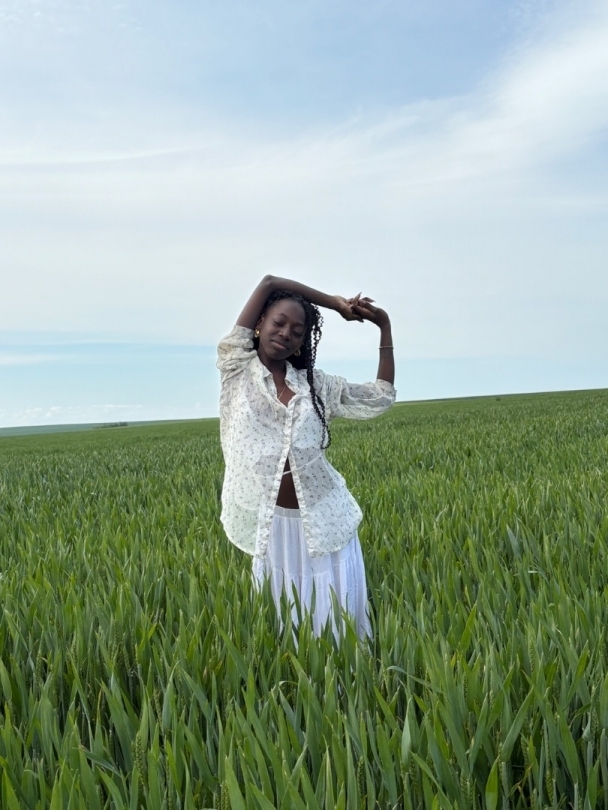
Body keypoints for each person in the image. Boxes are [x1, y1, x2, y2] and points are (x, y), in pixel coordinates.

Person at [216, 275, 395, 638]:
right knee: (283, 627)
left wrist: (384, 327)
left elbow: (381, 396)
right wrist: (336, 303)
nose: (286, 333)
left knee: (338, 625)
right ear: (260, 323)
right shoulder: (236, 367)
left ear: (302, 342)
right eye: (279, 322)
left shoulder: (315, 385)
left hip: (325, 520)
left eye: (297, 332)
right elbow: (269, 282)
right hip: (273, 527)